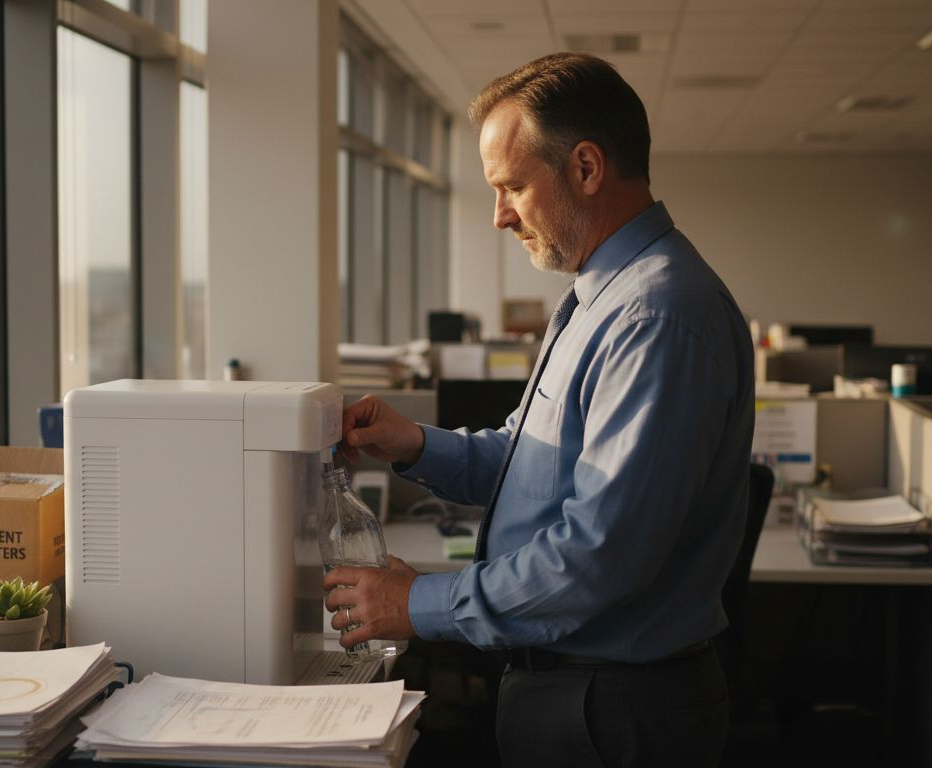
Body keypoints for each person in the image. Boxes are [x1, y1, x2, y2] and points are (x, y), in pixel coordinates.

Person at [323, 52, 754, 768]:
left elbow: (599, 558)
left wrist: (419, 602)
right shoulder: (598, 298)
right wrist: (414, 445)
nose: (498, 216)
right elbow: (532, 464)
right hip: (573, 690)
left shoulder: (657, 316)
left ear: (585, 168)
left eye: (512, 186)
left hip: (614, 708)